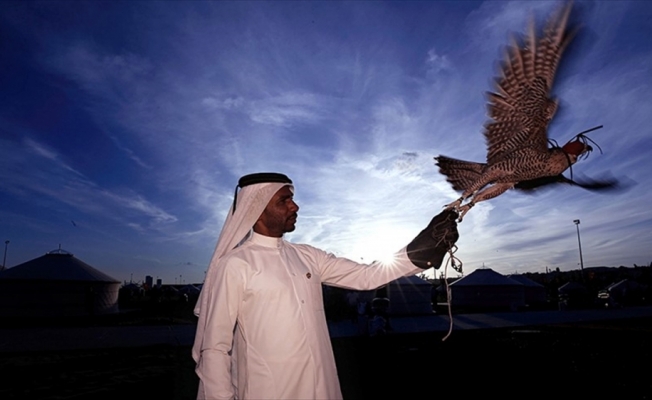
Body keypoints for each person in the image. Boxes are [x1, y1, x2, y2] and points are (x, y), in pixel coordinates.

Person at [192, 172, 458, 399]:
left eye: (292, 199)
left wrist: (423, 249)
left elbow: (367, 276)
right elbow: (215, 347)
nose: (294, 207)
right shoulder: (235, 264)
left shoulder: (307, 256)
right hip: (268, 389)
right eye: (284, 200)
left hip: (322, 387)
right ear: (257, 208)